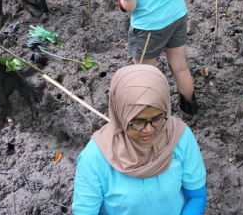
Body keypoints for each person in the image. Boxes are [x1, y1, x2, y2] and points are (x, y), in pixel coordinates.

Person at [72, 64, 207, 215]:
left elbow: (196, 195)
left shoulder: (179, 137)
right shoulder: (95, 157)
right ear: (121, 115)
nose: (149, 129)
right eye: (137, 122)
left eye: (157, 119)